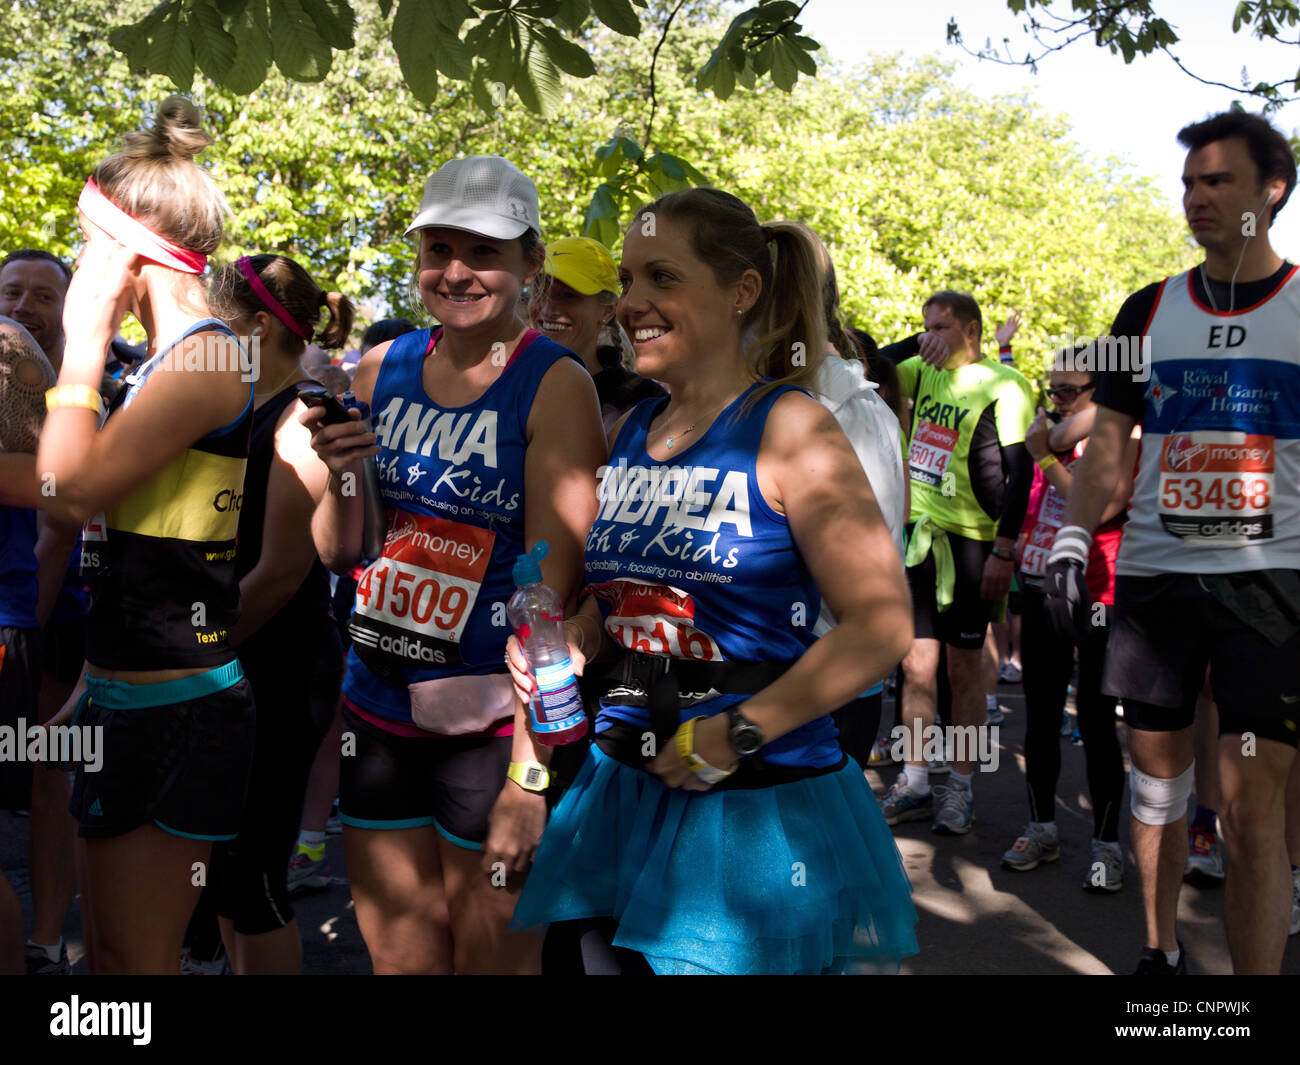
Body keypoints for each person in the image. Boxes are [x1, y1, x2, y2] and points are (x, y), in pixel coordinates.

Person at [506, 187, 918, 975]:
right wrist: (575, 636)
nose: (631, 304)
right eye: (626, 281)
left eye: (662, 277)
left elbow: (881, 624)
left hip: (751, 812)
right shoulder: (633, 431)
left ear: (742, 293)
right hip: (623, 785)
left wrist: (741, 730)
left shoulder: (792, 425)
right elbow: (617, 597)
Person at [302, 155, 604, 974]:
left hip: (496, 728)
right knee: (401, 964)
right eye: (438, 249)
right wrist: (341, 469)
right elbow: (340, 551)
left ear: (530, 263)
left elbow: (553, 594)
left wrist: (529, 778)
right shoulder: (382, 366)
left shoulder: (555, 383)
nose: (456, 271)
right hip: (378, 707)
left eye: (485, 251)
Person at [1045, 110, 1300, 974]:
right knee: (1157, 790)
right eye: (1188, 181)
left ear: (1270, 191)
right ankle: (1160, 958)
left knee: (1251, 805)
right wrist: (1075, 535)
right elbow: (1108, 438)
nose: (1193, 197)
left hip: (1272, 590)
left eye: (1215, 181)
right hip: (1156, 585)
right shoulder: (1145, 307)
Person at [35, 96, 255, 975]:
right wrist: (93, 672)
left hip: (180, 712)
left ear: (125, 250)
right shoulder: (173, 362)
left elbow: (64, 490)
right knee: (110, 963)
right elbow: (142, 535)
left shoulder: (205, 358)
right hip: (126, 695)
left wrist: (81, 342)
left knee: (138, 964)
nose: (82, 263)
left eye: (88, 243)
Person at [203, 253, 354, 973]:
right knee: (228, 876)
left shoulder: (302, 419)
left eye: (217, 323)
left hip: (278, 663)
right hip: (242, 658)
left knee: (252, 876)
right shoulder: (251, 407)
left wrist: (195, 651)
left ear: (258, 326)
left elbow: (279, 575)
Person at [879, 291, 1035, 833]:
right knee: (915, 667)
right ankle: (916, 780)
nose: (929, 338)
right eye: (924, 328)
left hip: (973, 546)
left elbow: (1022, 476)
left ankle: (961, 787)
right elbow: (867, 360)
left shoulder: (1005, 385)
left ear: (971, 330)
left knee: (962, 669)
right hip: (921, 540)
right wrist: (915, 343)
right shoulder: (920, 370)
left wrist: (1004, 549)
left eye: (940, 328)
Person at [1001, 355, 1137, 891]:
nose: (1056, 400)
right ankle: (1042, 828)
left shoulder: (1121, 431)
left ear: (1097, 391)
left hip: (1100, 592)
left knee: (1099, 723)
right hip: (1044, 589)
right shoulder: (1052, 435)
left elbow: (1103, 506)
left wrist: (1042, 454)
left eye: (1068, 392)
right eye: (1051, 390)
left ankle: (1107, 847)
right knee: (1039, 715)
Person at [0, 253, 83, 974]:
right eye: (13, 290)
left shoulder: (85, 393)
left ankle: (48, 933)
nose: (26, 304)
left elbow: (61, 522)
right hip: (22, 611)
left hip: (51, 609)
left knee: (49, 769)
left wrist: (29, 619)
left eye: (42, 294)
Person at [533, 235, 665, 435]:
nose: (547, 309)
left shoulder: (643, 401)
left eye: (568, 296)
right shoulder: (507, 383)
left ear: (607, 311)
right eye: (540, 291)